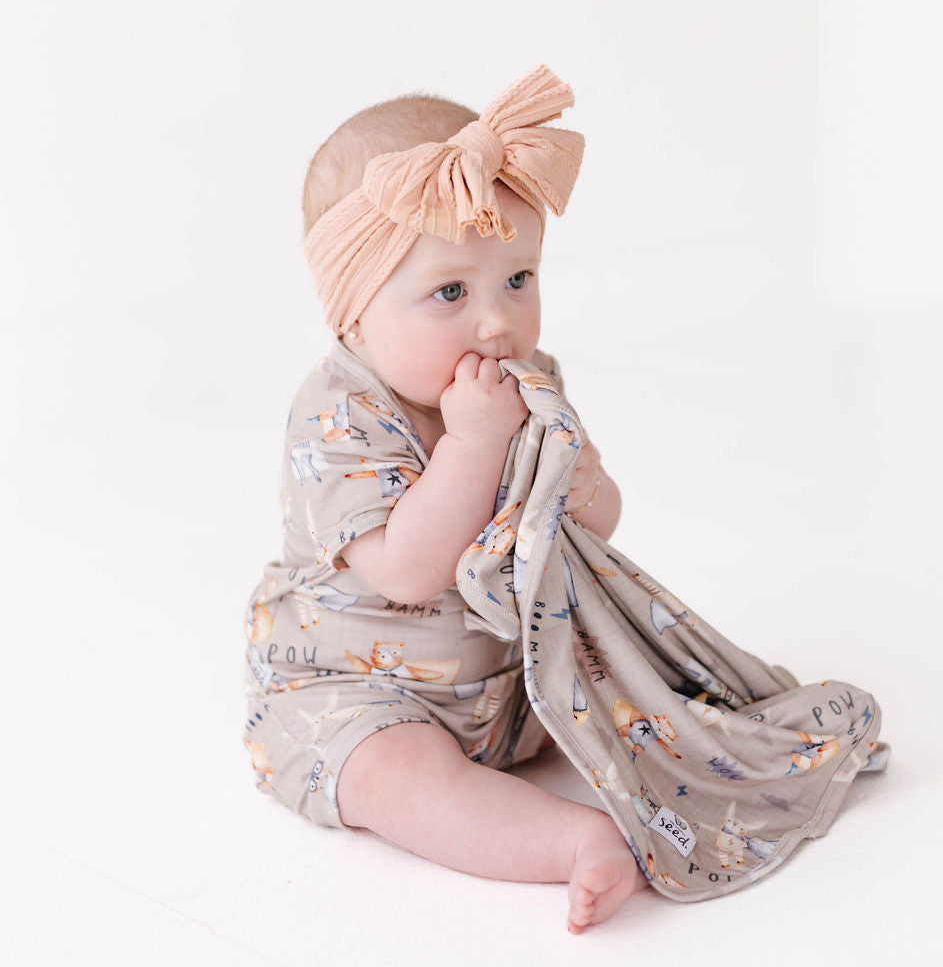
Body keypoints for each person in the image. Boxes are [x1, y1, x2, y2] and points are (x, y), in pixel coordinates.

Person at [242, 66, 647, 933]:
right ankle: (571, 843)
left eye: (518, 278)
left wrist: (587, 488)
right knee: (396, 777)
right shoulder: (338, 413)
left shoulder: (524, 384)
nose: (497, 322)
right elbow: (406, 570)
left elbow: (596, 529)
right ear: (354, 311)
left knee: (642, 681)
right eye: (451, 292)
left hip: (507, 682)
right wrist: (471, 446)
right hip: (355, 688)